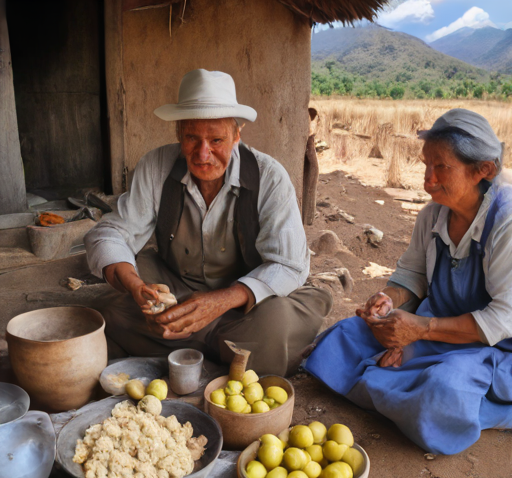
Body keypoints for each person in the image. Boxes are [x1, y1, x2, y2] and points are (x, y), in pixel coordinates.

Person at [85, 69, 332, 377]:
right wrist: (136, 288)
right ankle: (214, 349)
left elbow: (289, 264)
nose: (203, 154)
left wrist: (219, 302)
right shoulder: (155, 166)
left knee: (274, 323)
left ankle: (190, 346)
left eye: (216, 140)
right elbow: (110, 233)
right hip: (182, 288)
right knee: (109, 311)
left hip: (250, 305)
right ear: (178, 133)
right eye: (192, 138)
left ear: (237, 134)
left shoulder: (269, 177)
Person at [304, 108, 512, 455]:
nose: (427, 180)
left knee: (443, 389)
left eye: (441, 167)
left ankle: (462, 407)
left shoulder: (505, 223)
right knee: (345, 337)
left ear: (483, 170)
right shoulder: (434, 214)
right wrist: (388, 301)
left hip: (497, 349)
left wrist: (419, 333)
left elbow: (502, 319)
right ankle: (407, 392)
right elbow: (411, 276)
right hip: (438, 332)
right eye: (425, 165)